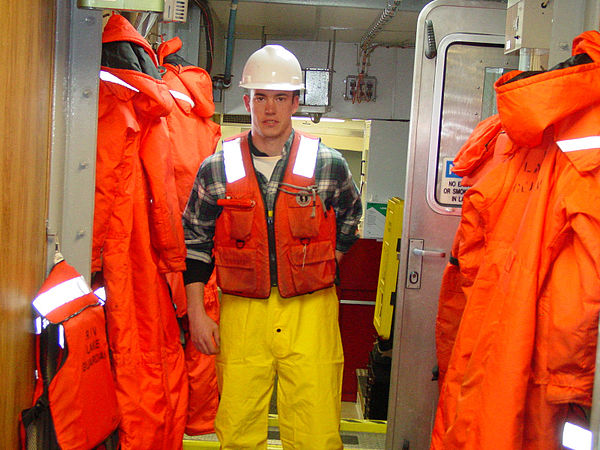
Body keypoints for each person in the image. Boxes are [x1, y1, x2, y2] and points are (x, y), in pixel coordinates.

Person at [182, 44, 362, 449]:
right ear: (247, 100)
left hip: (311, 313)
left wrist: (322, 262)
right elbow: (194, 242)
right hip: (242, 313)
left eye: (280, 98)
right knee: (239, 428)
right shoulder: (216, 168)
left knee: (316, 431)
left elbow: (351, 217)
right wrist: (197, 312)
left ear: (296, 102)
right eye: (261, 97)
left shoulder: (328, 164)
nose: (269, 109)